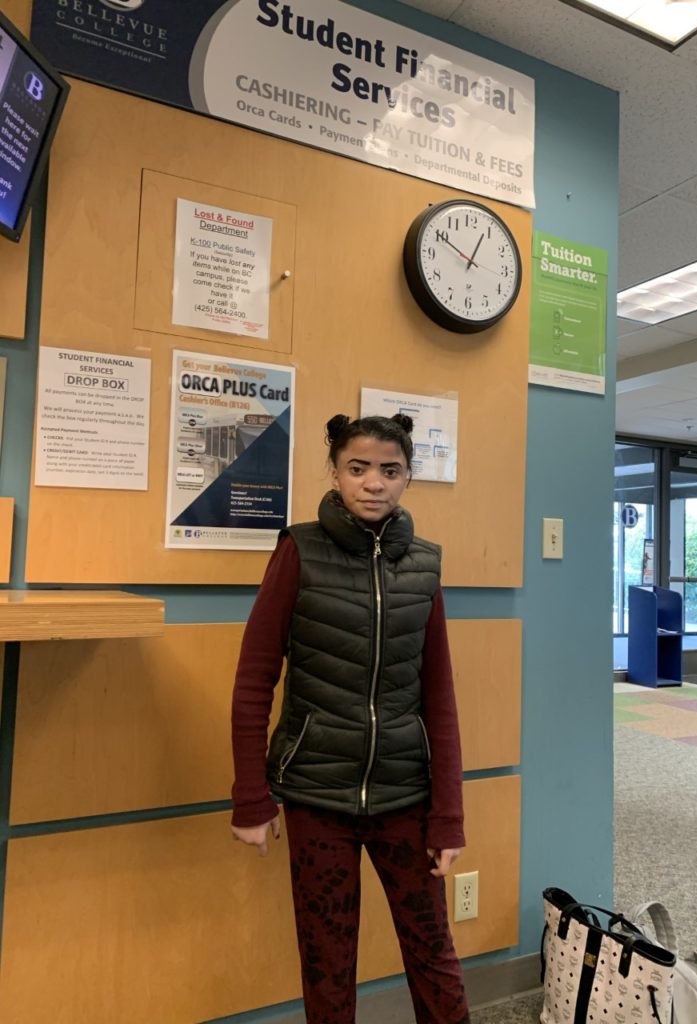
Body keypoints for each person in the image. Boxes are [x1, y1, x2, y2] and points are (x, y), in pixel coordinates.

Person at [231, 413, 470, 1024]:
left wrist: (448, 816)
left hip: (406, 797)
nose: (373, 483)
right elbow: (255, 679)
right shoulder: (298, 551)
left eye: (390, 471)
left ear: (408, 477)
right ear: (335, 473)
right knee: (327, 962)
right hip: (317, 798)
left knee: (433, 952)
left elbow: (439, 697)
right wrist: (251, 799)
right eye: (358, 468)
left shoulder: (424, 566)